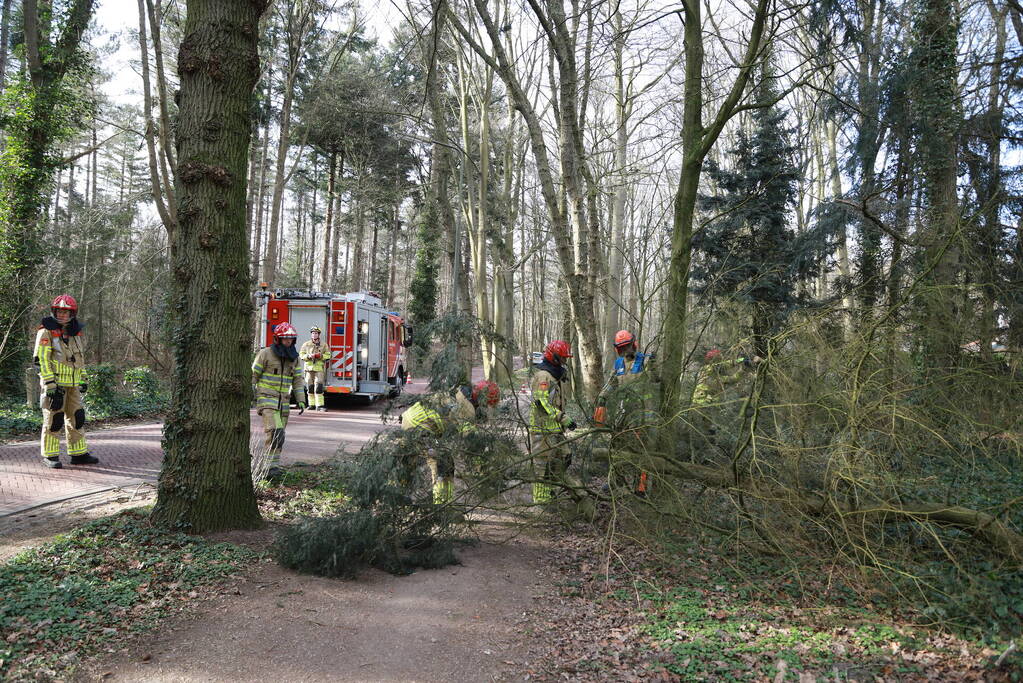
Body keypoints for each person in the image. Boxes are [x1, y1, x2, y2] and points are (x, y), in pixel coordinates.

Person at [400, 380, 500, 504]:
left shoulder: (459, 391)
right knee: (441, 464)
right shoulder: (466, 408)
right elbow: (470, 440)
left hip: (412, 420)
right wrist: (480, 467)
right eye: (486, 405)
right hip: (421, 426)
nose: (484, 409)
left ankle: (398, 494)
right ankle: (441, 508)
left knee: (409, 463)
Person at [35, 294, 96, 469]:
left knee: (77, 418)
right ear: (54, 311)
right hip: (55, 386)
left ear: (72, 314)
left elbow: (79, 358)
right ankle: (50, 455)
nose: (62, 315)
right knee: (54, 420)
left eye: (66, 312)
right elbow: (42, 360)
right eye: (59, 311)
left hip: (73, 385)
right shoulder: (45, 331)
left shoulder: (75, 332)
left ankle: (78, 454)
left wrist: (83, 378)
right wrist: (49, 383)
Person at [596, 330, 657, 495]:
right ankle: (614, 480)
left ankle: (641, 487)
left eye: (628, 346)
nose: (626, 350)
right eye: (622, 348)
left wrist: (654, 365)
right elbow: (611, 384)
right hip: (624, 413)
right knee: (616, 446)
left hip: (644, 413)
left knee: (643, 450)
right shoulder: (618, 365)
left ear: (634, 344)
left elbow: (655, 380)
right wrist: (602, 398)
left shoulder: (645, 361)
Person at [252, 322, 307, 481]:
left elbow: (297, 380)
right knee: (275, 431)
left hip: (283, 403)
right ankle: (266, 469)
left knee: (279, 436)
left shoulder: (294, 358)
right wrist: (249, 392)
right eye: (285, 339)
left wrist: (301, 400)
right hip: (267, 399)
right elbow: (253, 374)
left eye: (291, 339)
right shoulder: (265, 354)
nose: (288, 342)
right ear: (278, 339)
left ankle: (273, 467)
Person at [529, 340, 577, 503]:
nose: (565, 362)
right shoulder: (543, 376)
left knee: (565, 456)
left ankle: (550, 490)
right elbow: (542, 403)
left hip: (556, 430)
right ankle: (540, 501)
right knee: (542, 465)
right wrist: (564, 419)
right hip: (542, 430)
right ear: (555, 358)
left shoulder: (556, 376)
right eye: (563, 358)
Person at [299, 326, 331, 412]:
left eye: (316, 333)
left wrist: (321, 356)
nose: (314, 335)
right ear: (311, 334)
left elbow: (328, 355)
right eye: (313, 333)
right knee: (310, 387)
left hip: (319, 369)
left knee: (319, 387)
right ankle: (311, 405)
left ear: (319, 334)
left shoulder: (324, 345)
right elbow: (301, 355)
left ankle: (320, 405)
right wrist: (308, 356)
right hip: (308, 369)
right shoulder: (306, 344)